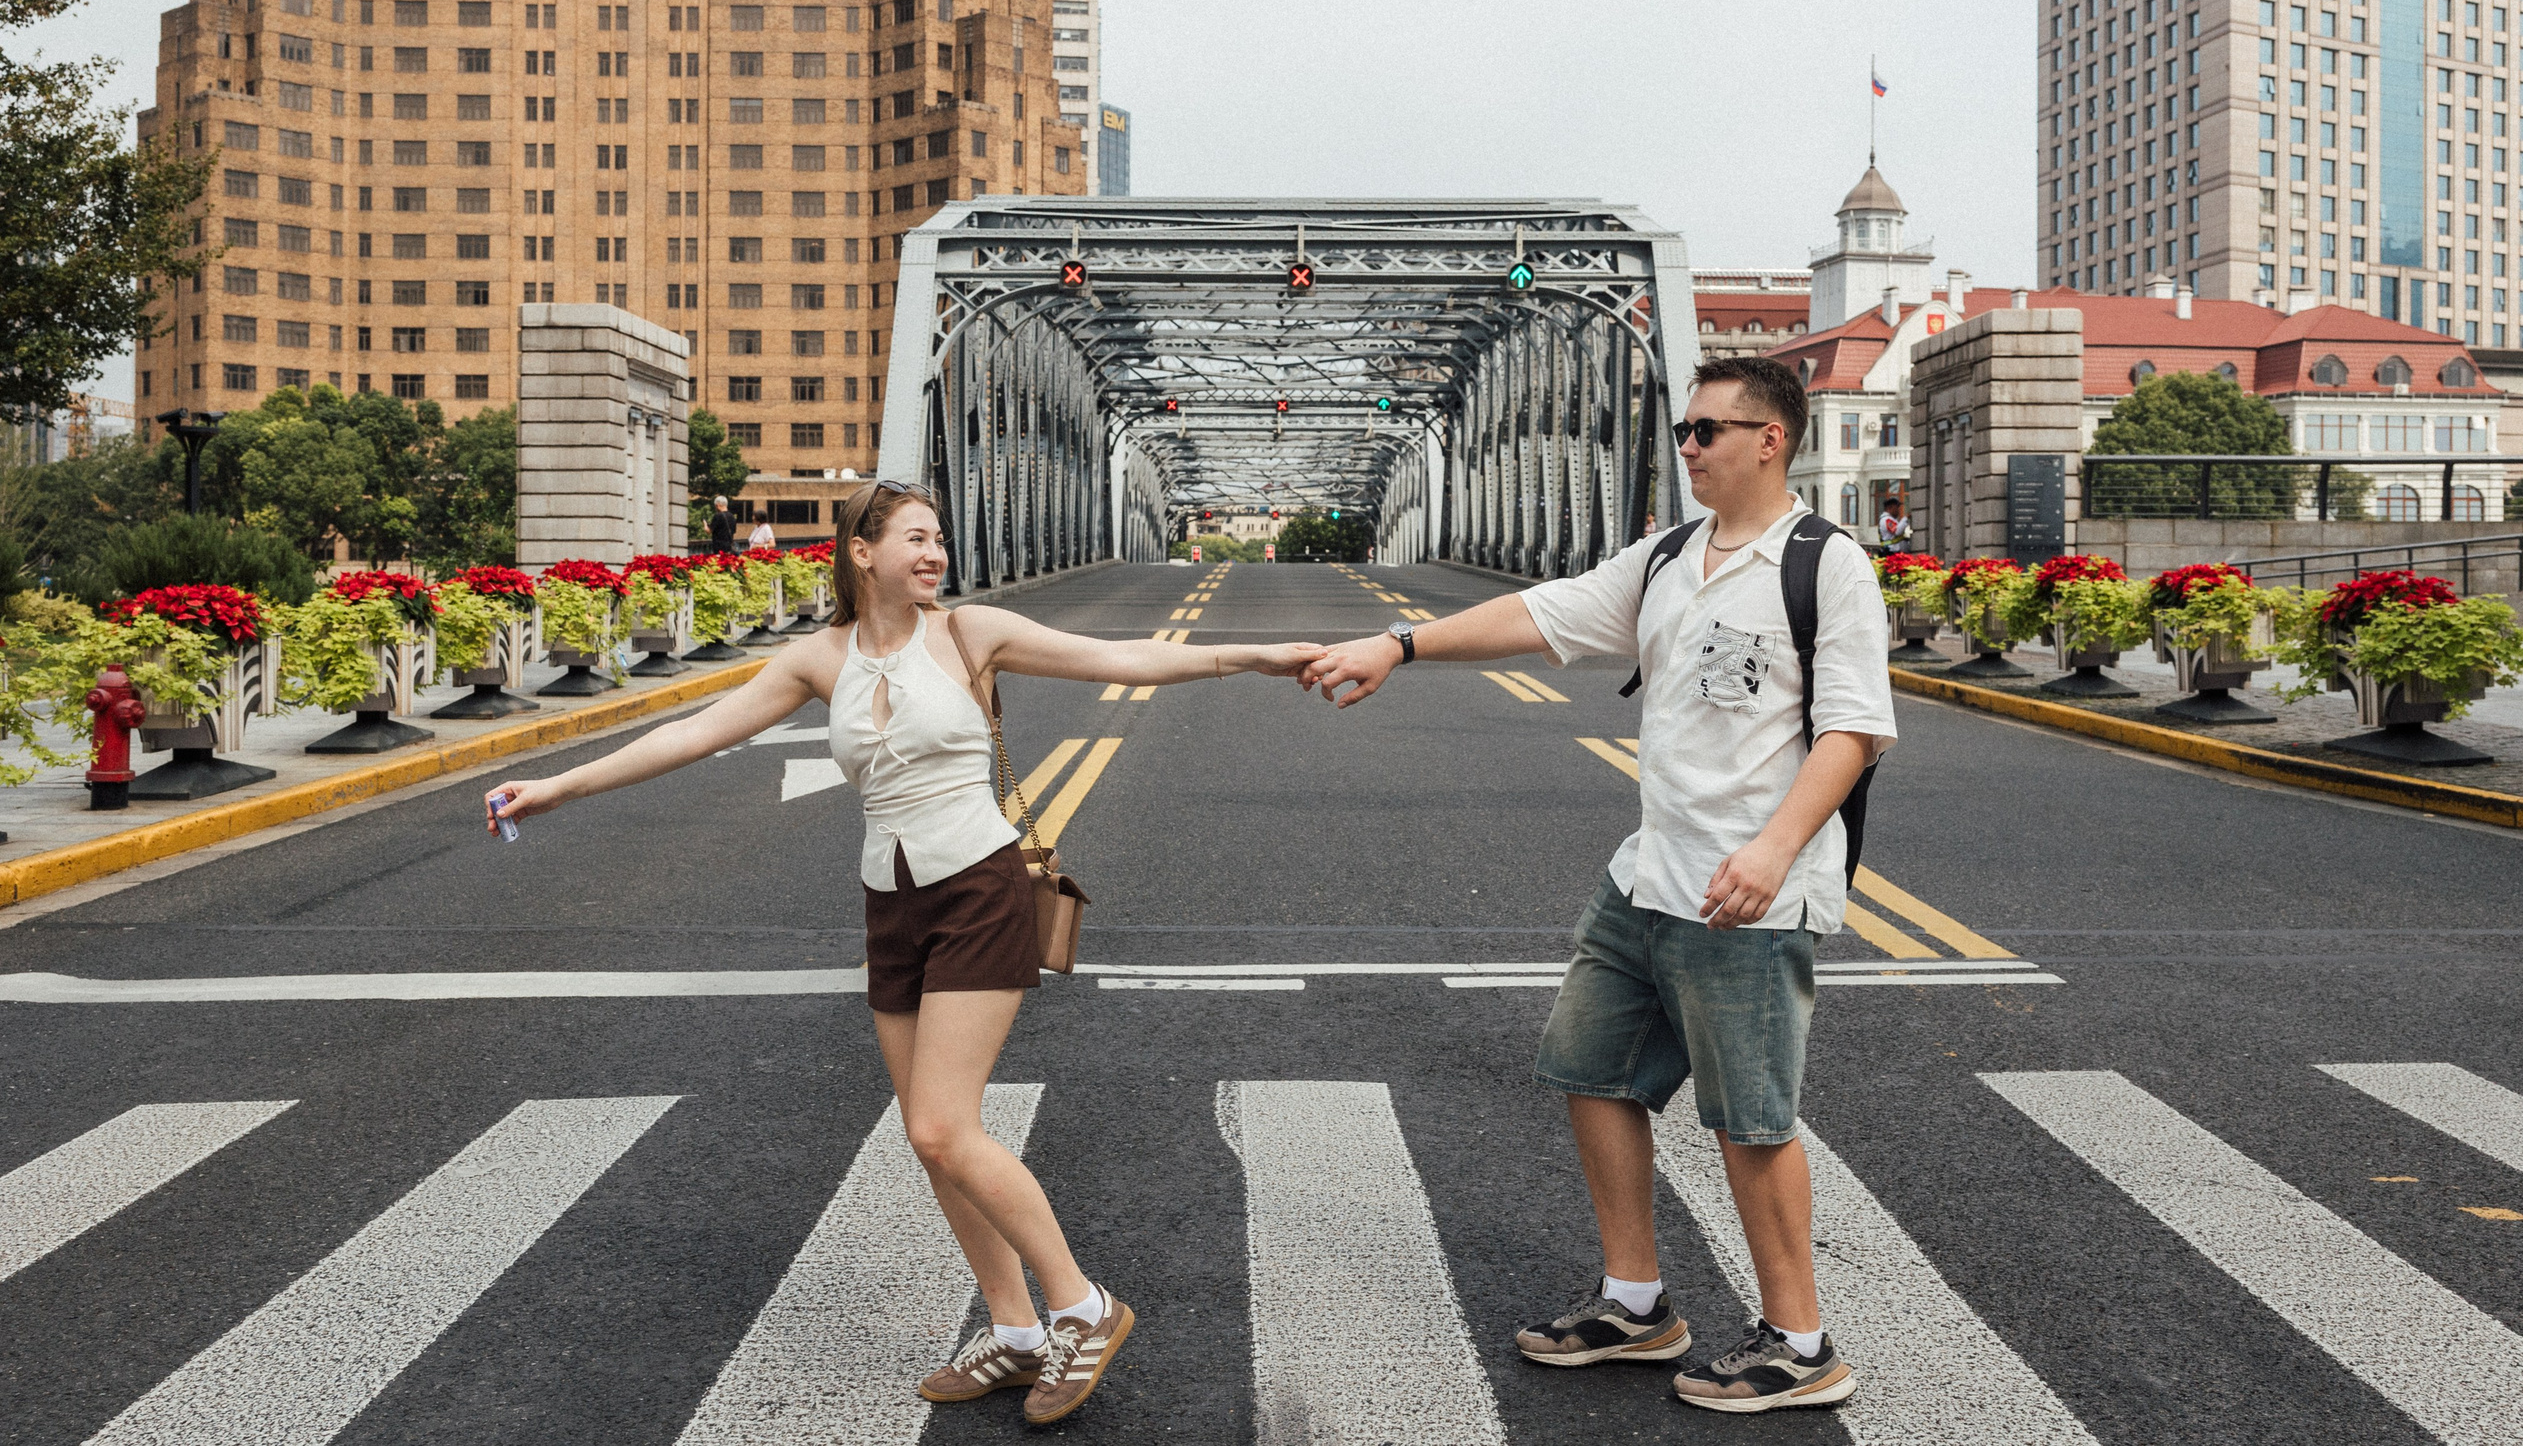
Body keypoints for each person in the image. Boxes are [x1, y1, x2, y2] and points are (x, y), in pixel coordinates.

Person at [488, 478, 1321, 1426]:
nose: (935, 554)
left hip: (977, 887)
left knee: (940, 1126)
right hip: (890, 903)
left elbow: (1120, 654)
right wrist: (561, 786)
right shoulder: (819, 658)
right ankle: (1013, 1331)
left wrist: (1254, 654)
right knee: (933, 1144)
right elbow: (693, 732)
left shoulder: (970, 634)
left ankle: (1083, 1306)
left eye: (940, 539)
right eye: (917, 539)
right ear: (862, 551)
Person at [1303, 355, 1895, 1416]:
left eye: (1710, 430)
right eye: (1684, 429)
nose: (1689, 445)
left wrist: (1772, 851)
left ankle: (1802, 1342)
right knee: (1591, 1072)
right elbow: (1541, 614)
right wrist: (1398, 642)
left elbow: (1851, 730)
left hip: (1743, 893)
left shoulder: (1826, 564)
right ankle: (1635, 1303)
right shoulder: (1670, 554)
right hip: (1647, 878)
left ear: (1771, 439)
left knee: (1750, 1122)